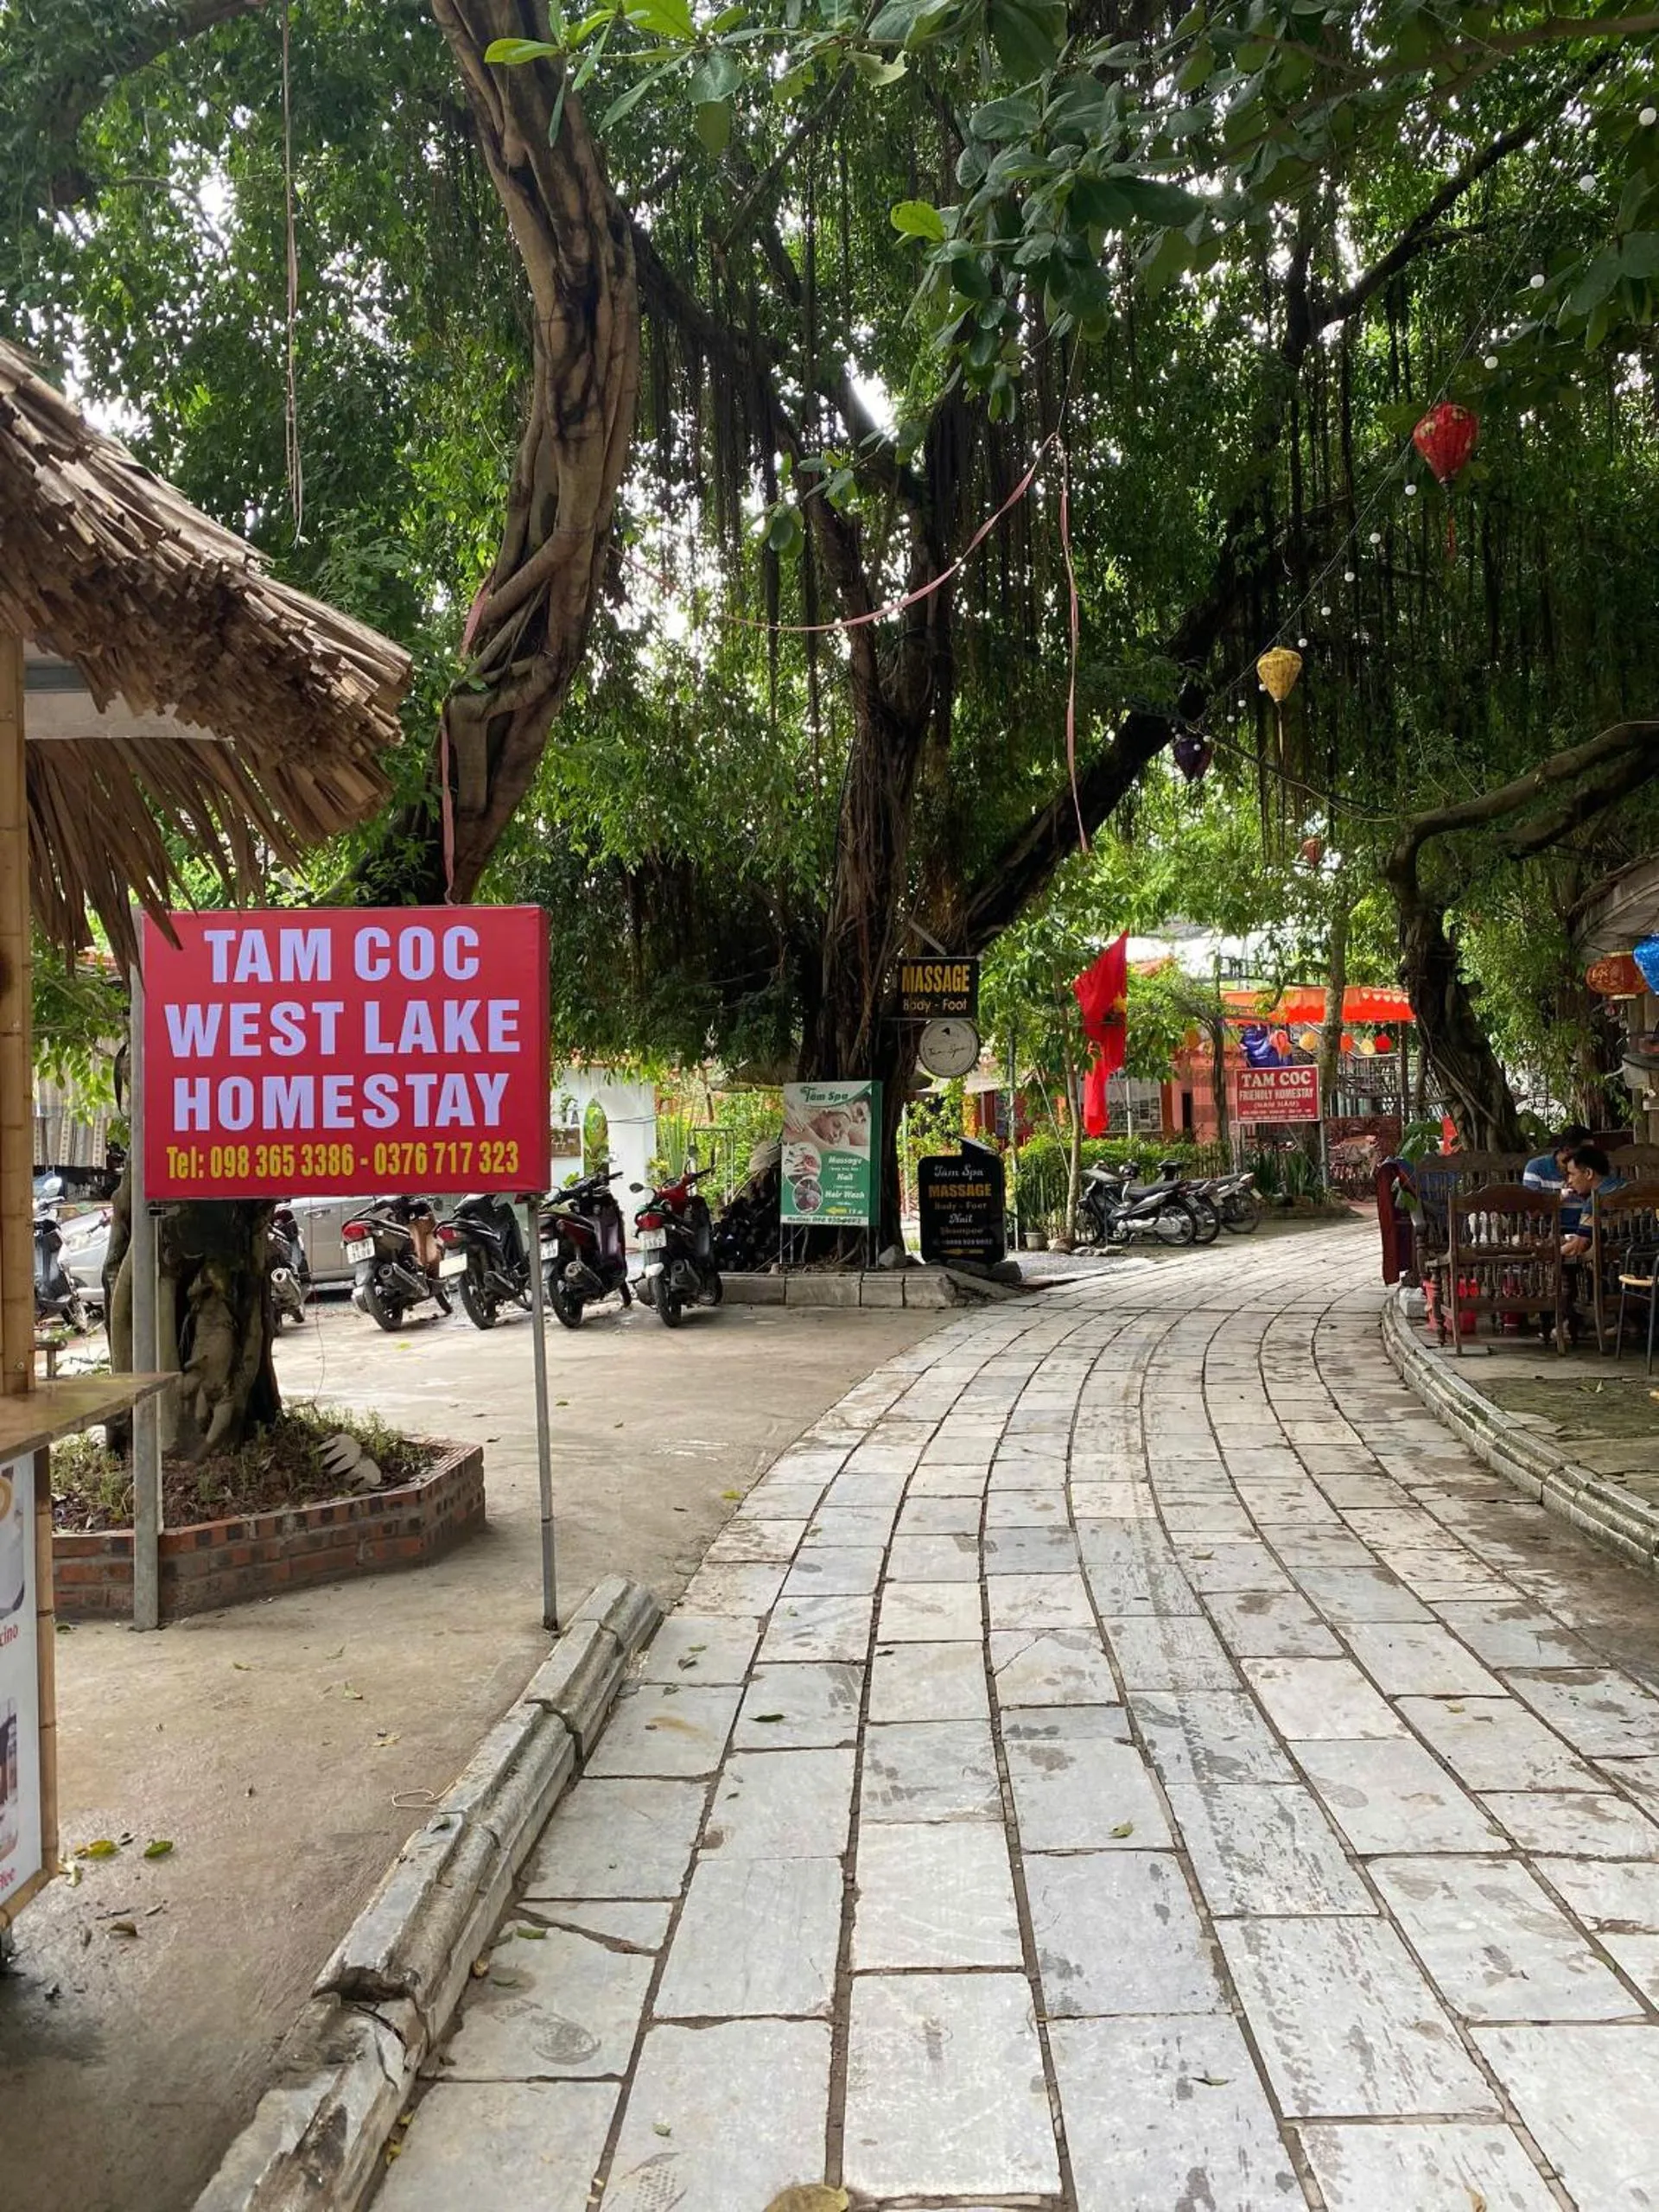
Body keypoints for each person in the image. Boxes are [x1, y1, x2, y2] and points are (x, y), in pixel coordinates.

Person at [1523, 1124, 1592, 1194]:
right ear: (1567, 1149)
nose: (1592, 1154)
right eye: (1586, 1150)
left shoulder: (1591, 1170)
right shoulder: (1536, 1168)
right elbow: (1531, 1201)